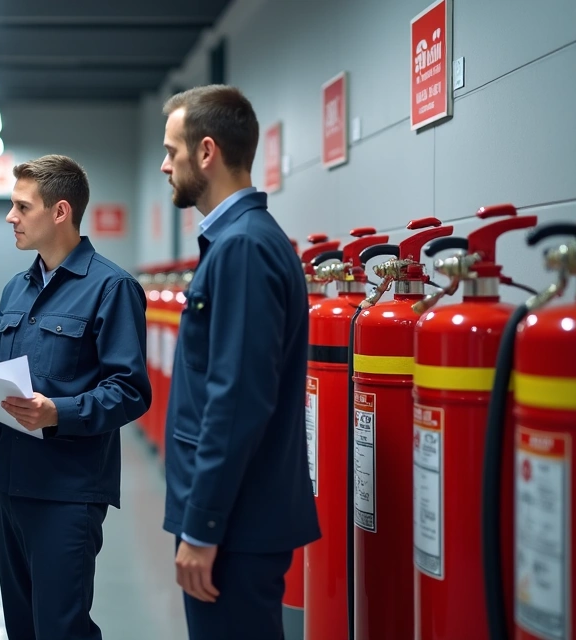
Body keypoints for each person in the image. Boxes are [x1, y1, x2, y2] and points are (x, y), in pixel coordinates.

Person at [0, 155, 152, 640]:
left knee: (60, 628)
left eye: (21, 206)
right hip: (11, 484)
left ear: (60, 212)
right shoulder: (18, 288)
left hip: (68, 491)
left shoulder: (112, 287)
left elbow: (130, 392)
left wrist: (58, 412)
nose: (10, 217)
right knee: (21, 626)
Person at [159, 86, 320, 638]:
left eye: (171, 152)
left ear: (206, 152)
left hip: (235, 526)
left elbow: (236, 400)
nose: (165, 166)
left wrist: (202, 527)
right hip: (236, 518)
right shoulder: (235, 242)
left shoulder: (244, 248)